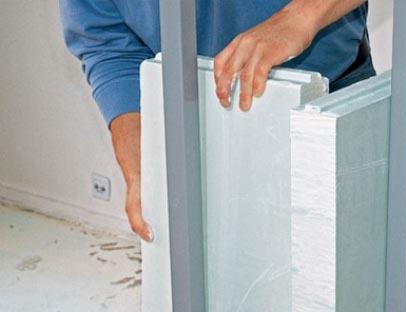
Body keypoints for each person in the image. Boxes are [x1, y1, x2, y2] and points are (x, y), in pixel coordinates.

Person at [59, 0, 373, 241]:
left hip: (326, 100)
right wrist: (145, 169)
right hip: (197, 124)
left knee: (348, 276)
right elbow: (109, 46)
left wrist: (301, 16)